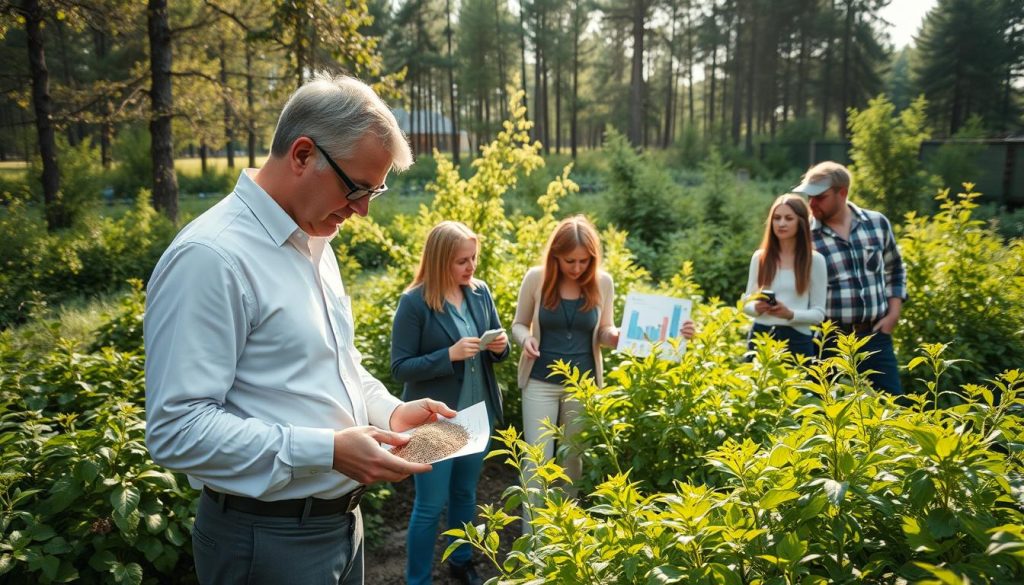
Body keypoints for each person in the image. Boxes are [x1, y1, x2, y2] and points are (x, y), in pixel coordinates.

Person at [144, 73, 457, 585]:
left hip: (340, 527)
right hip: (264, 541)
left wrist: (392, 411)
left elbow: (335, 365)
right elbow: (177, 430)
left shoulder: (315, 239)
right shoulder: (212, 258)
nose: (362, 210)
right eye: (356, 187)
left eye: (374, 191)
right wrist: (328, 450)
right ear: (303, 154)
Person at [511, 216, 694, 495]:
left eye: (584, 261)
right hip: (539, 380)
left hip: (582, 386)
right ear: (556, 256)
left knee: (573, 461)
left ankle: (563, 532)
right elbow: (518, 324)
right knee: (536, 461)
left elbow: (604, 331)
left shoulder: (602, 283)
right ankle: (533, 536)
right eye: (570, 261)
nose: (577, 268)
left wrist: (620, 336)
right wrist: (526, 339)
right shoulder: (537, 278)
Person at [390, 221, 509, 585]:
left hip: (476, 413)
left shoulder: (480, 292)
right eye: (462, 260)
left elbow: (496, 346)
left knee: (464, 493)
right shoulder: (414, 303)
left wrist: (500, 349)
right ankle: (418, 579)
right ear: (440, 260)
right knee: (429, 506)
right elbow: (400, 367)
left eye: (473, 258)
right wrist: (449, 355)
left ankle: (462, 561)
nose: (471, 267)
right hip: (433, 420)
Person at [791, 161, 907, 394]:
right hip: (828, 342)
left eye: (819, 197)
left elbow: (894, 269)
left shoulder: (876, 224)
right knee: (825, 413)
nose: (811, 204)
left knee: (894, 407)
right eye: (809, 197)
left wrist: (894, 313)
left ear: (841, 193)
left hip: (875, 336)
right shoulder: (805, 236)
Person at [743, 194, 827, 359]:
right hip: (761, 336)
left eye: (789, 218)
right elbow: (746, 303)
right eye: (777, 218)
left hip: (797, 340)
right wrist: (756, 308)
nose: (781, 223)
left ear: (801, 222)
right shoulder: (760, 257)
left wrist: (790, 314)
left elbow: (818, 314)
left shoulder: (815, 260)